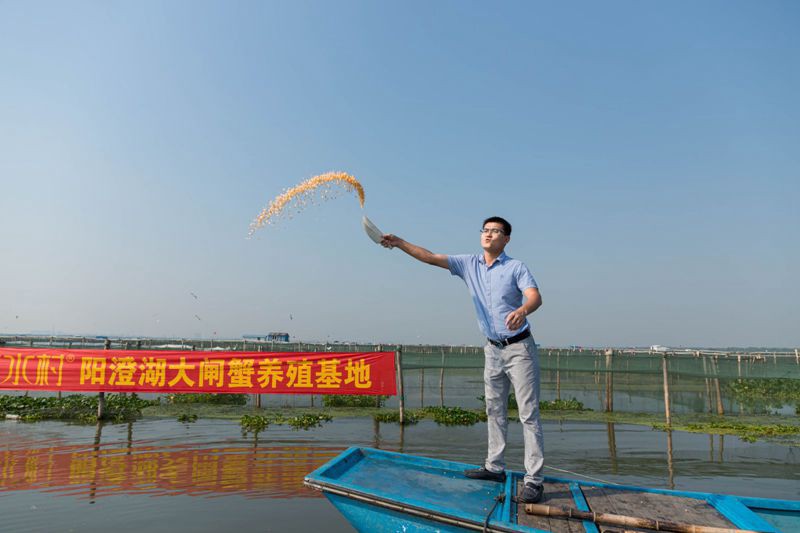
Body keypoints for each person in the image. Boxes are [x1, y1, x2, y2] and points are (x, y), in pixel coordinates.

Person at [380, 216, 544, 503]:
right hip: (492, 349)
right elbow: (430, 257)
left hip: (519, 349)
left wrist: (522, 310)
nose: (489, 235)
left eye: (496, 231)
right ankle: (495, 467)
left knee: (528, 414)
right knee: (494, 409)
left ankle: (534, 481)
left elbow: (535, 297)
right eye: (486, 230)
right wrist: (399, 243)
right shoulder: (469, 264)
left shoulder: (516, 267)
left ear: (506, 239)